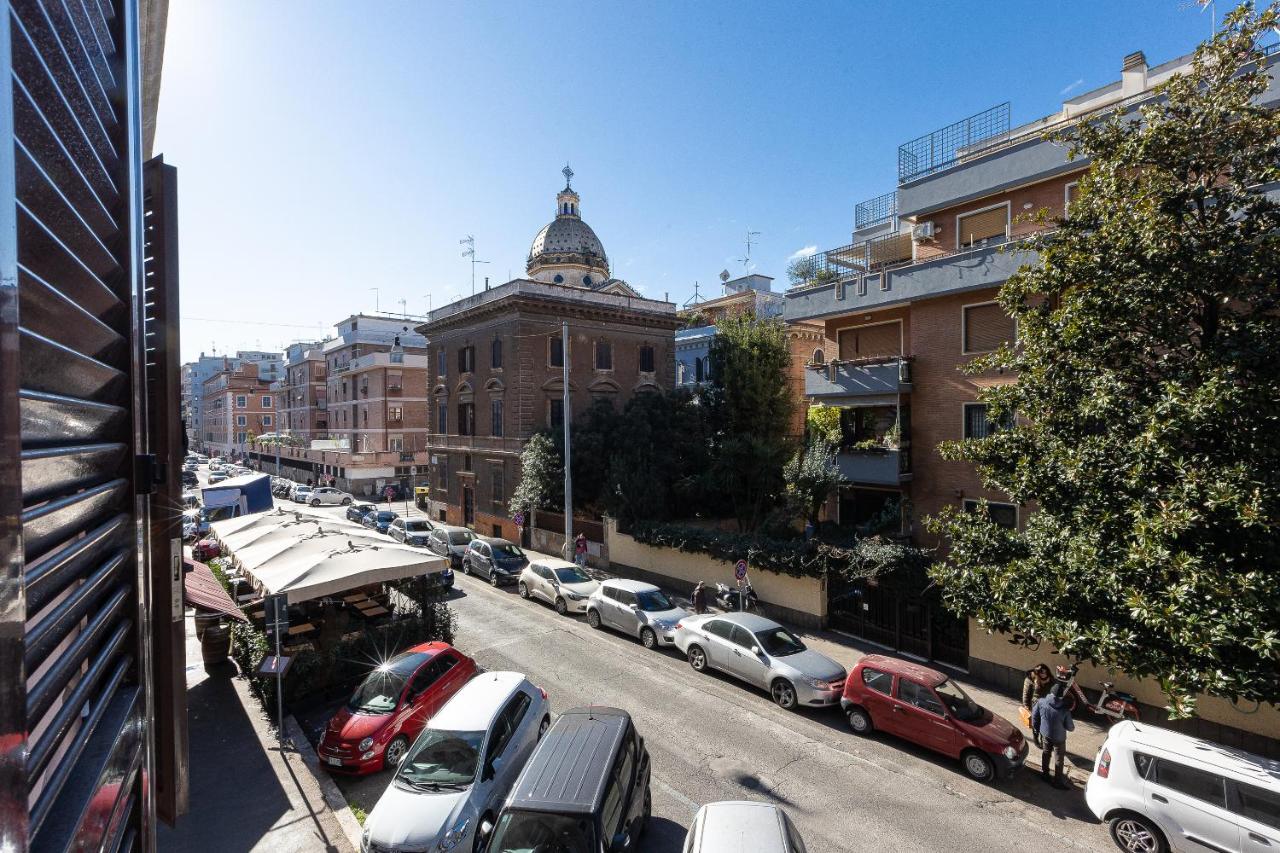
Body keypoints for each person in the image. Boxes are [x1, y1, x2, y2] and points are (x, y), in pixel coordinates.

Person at [1032, 683, 1076, 789]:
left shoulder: (1041, 702)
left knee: (1046, 753)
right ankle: (1057, 782)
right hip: (1059, 738)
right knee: (1059, 759)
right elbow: (1071, 728)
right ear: (1062, 696)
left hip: (1045, 734)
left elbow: (1034, 717)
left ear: (1050, 692)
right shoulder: (1065, 710)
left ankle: (1045, 774)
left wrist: (1036, 732)